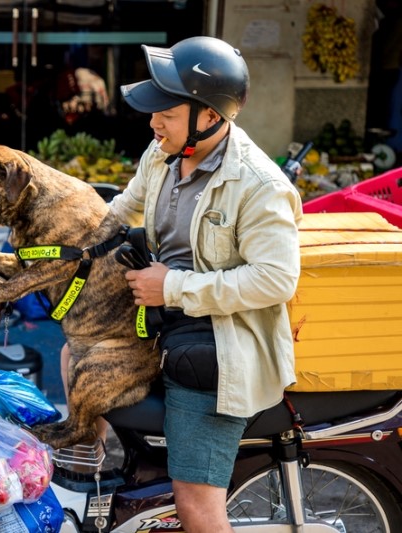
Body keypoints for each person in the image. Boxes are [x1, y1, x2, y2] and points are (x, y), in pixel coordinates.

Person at [109, 36, 301, 531]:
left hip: (218, 345)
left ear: (211, 117)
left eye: (166, 114)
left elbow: (276, 279)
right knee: (77, 356)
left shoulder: (260, 186)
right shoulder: (162, 154)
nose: (153, 124)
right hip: (161, 320)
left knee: (194, 502)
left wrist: (173, 288)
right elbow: (120, 210)